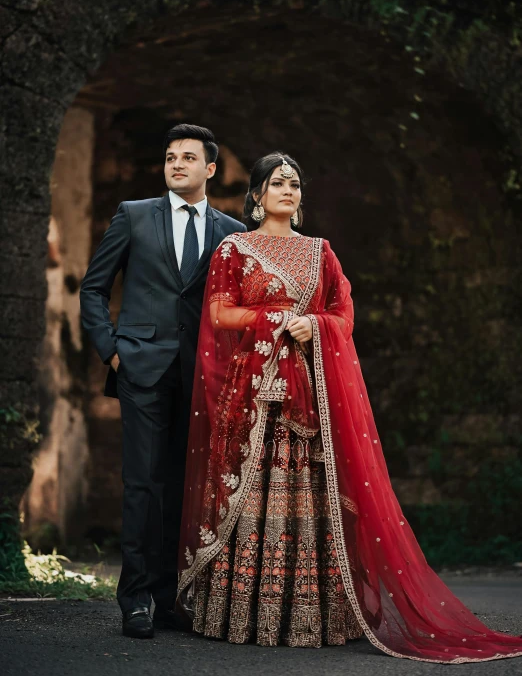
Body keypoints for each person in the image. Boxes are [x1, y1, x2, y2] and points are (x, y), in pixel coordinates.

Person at [176, 152, 522, 662]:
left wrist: (314, 326)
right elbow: (220, 313)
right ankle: (241, 612)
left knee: (315, 496)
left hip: (311, 397)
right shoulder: (235, 249)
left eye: (295, 183)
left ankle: (316, 616)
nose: (288, 190)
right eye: (277, 183)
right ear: (256, 196)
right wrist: (274, 319)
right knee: (253, 493)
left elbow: (343, 313)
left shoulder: (321, 252)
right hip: (258, 398)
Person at [80, 124, 246, 639]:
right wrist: (112, 351)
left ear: (209, 169)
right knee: (142, 485)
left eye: (188, 157)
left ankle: (173, 597)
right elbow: (93, 288)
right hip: (141, 367)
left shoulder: (230, 232)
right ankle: (135, 599)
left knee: (185, 488)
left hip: (202, 376)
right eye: (171, 157)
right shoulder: (133, 216)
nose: (177, 164)